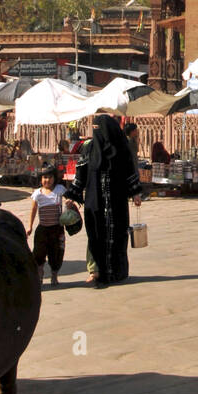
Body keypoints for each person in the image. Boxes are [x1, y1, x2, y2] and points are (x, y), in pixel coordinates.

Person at [63, 115, 143, 288]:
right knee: (95, 236)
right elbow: (81, 173)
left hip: (117, 202)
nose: (96, 132)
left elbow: (130, 172)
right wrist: (73, 194)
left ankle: (117, 272)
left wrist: (136, 193)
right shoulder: (90, 148)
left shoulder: (121, 148)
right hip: (95, 202)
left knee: (118, 236)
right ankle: (96, 272)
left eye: (100, 128)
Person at [25, 164, 78, 287]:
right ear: (40, 179)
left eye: (49, 177)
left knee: (56, 253)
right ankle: (40, 273)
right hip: (42, 229)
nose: (46, 180)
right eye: (44, 177)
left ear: (54, 178)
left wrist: (69, 203)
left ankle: (54, 275)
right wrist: (30, 226)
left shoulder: (60, 190)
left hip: (57, 229)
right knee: (38, 253)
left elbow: (68, 200)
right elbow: (33, 210)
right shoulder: (37, 193)